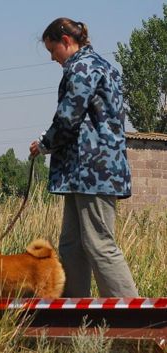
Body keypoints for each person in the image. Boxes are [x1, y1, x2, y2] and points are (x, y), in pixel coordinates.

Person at [30, 17, 138, 297]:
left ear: (67, 41)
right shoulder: (102, 65)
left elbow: (69, 116)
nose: (54, 58)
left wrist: (44, 144)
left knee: (99, 243)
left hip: (94, 170)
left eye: (53, 51)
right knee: (72, 245)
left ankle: (135, 317)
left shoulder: (82, 66)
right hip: (82, 171)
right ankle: (74, 313)